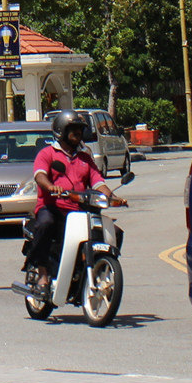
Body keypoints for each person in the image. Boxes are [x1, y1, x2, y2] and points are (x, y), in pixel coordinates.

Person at [24, 112, 126, 280]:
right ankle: (42, 272)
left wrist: (113, 197)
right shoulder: (47, 154)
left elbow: (98, 182)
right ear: (60, 131)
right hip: (52, 208)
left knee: (114, 232)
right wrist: (51, 187)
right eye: (73, 129)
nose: (77, 132)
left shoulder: (85, 158)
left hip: (79, 211)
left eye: (80, 129)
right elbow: (40, 175)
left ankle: (100, 270)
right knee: (45, 224)